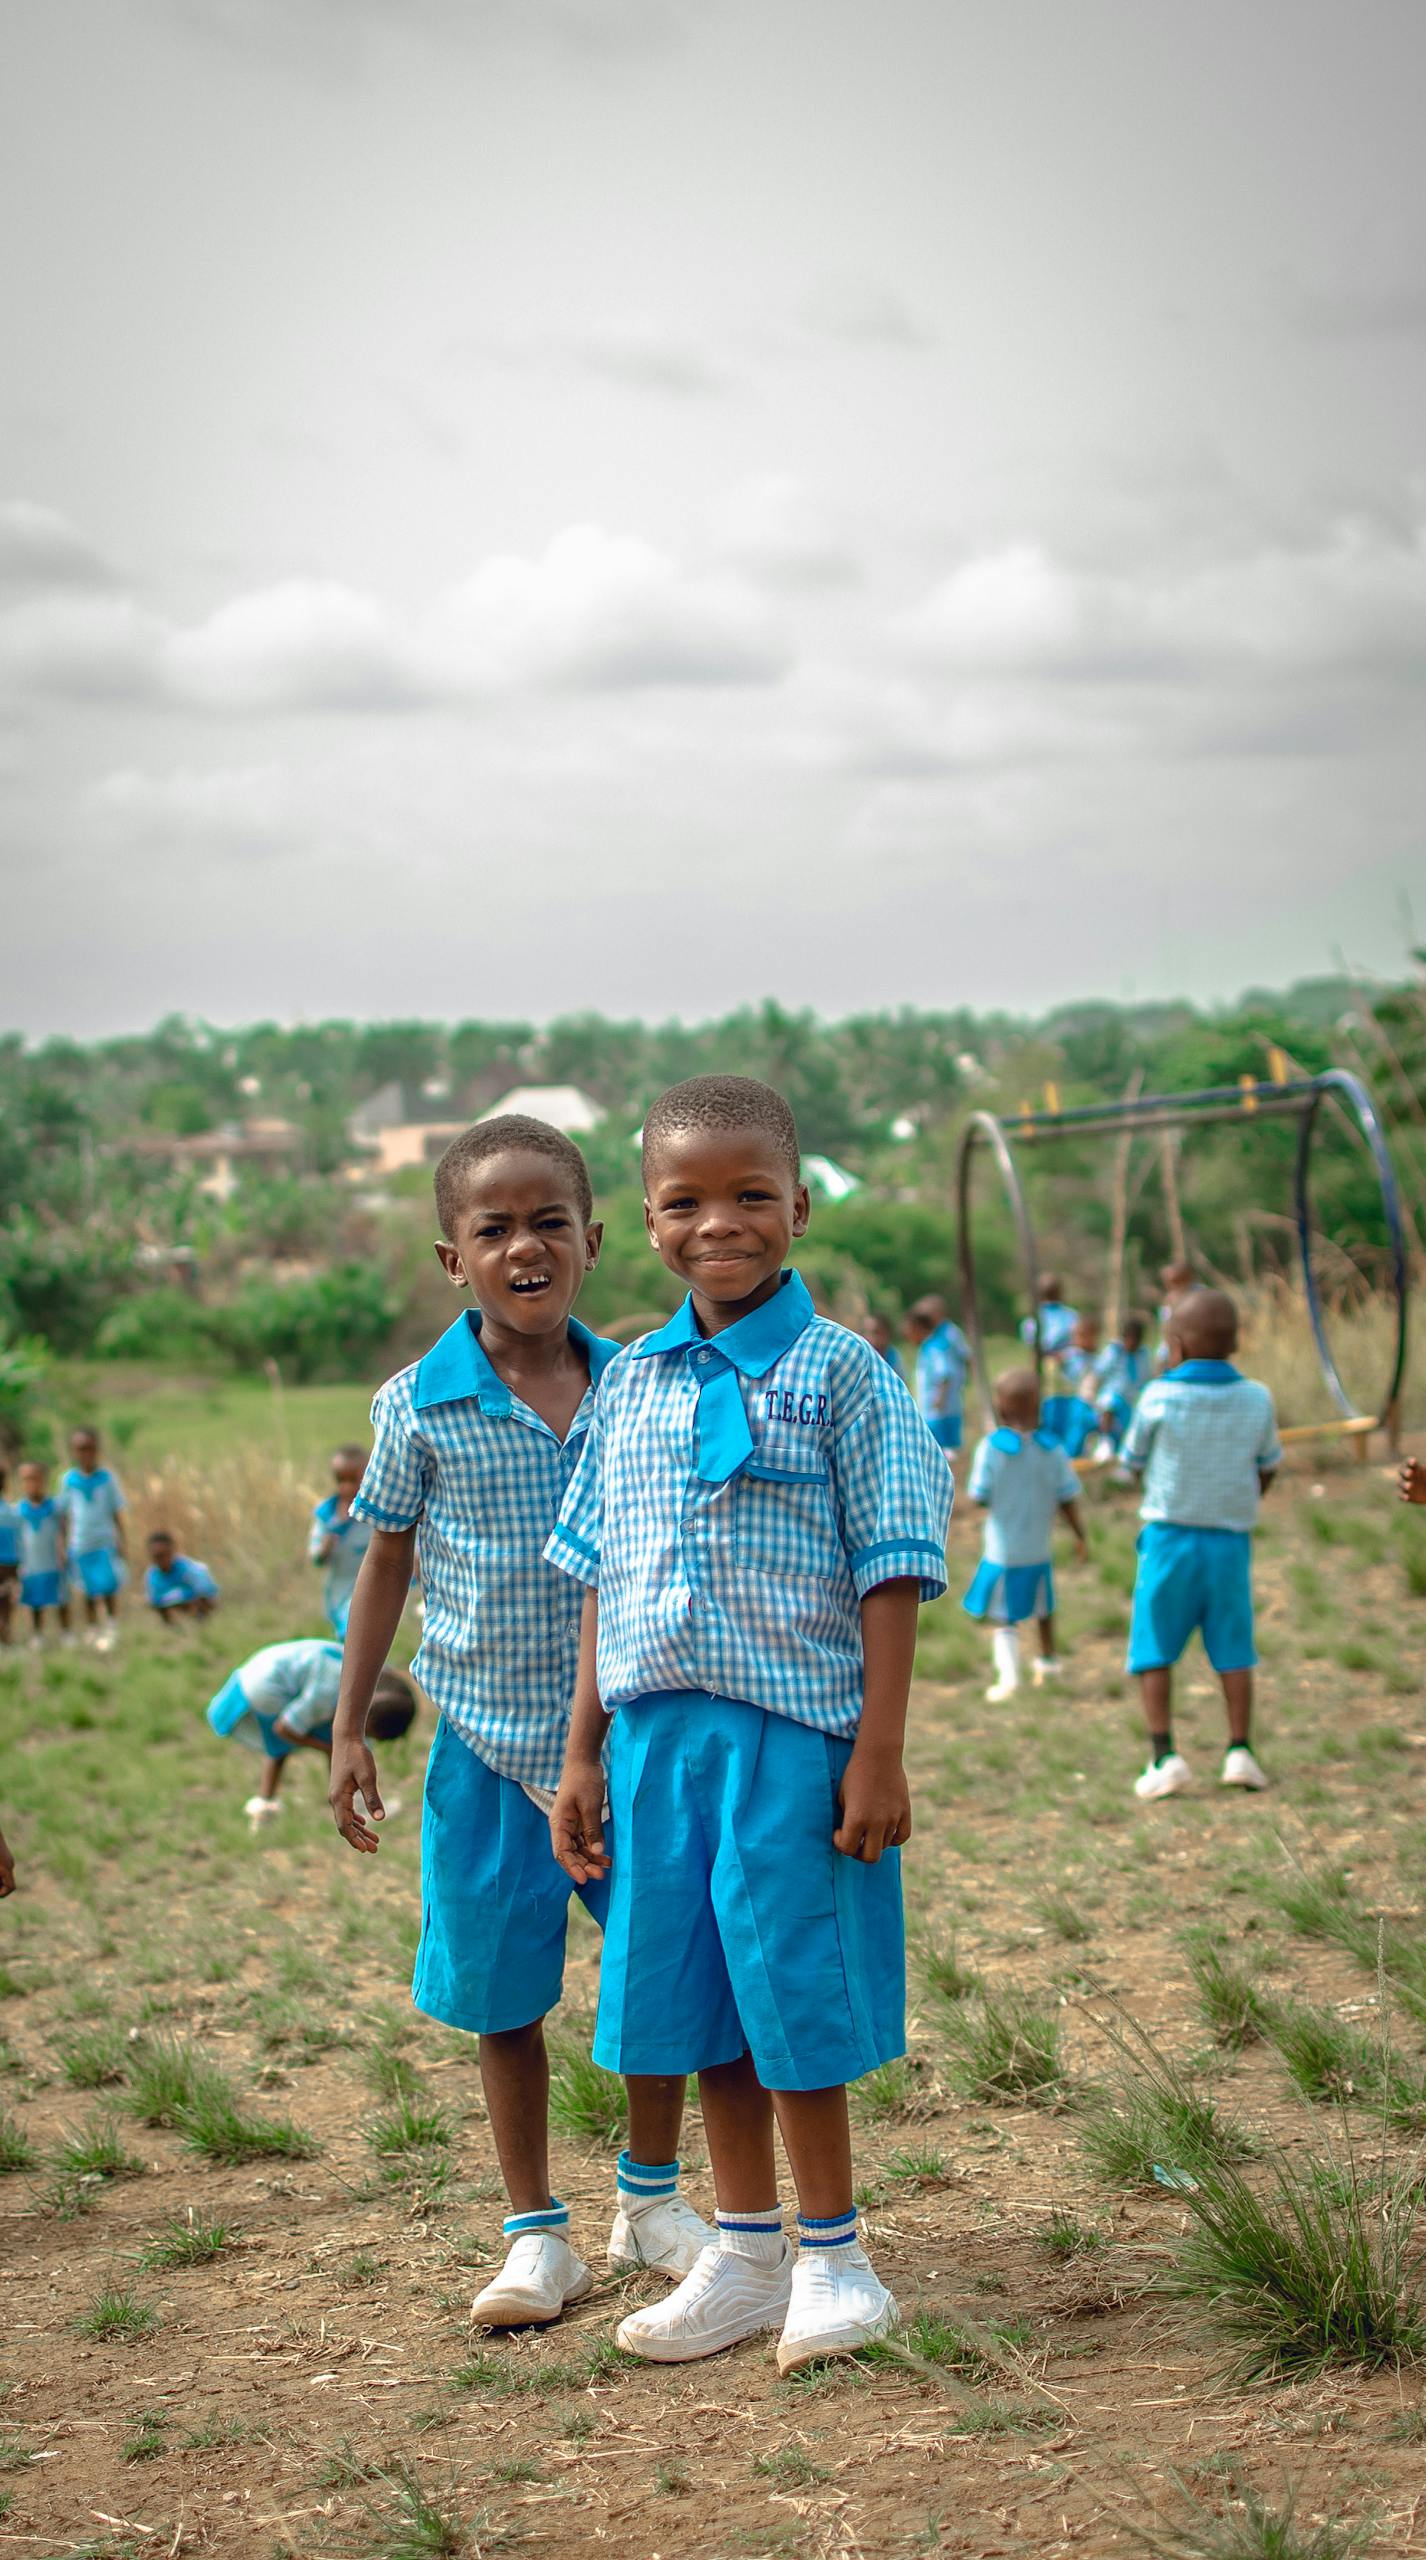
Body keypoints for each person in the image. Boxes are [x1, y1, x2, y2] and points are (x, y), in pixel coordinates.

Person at [547, 1073, 953, 2374]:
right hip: (660, 1745)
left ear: (800, 1205)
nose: (717, 1223)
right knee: (696, 2003)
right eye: (683, 1200)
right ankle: (745, 2249)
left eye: (749, 1196)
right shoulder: (632, 1382)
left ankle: (837, 2257)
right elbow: (601, 1575)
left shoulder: (845, 1375)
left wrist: (877, 1753)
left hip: (793, 1739)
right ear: (644, 1219)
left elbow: (891, 1564)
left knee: (790, 1997)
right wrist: (580, 1751)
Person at [327, 1115, 715, 2331]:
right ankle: (535, 2234)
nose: (524, 1244)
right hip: (486, 1750)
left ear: (594, 1239)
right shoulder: (416, 1406)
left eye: (549, 1220)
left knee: (659, 1974)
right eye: (492, 1228)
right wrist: (347, 1727)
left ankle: (651, 2199)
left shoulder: (644, 1382)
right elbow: (385, 1565)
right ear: (454, 1259)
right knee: (501, 1997)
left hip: (630, 1741)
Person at [1121, 1287, 1282, 1801]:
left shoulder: (1159, 1396)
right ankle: (1241, 1751)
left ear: (1176, 1343)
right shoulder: (1257, 1397)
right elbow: (1267, 1466)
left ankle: (1164, 1755)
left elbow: (1131, 1463)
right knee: (1234, 1647)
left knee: (1152, 1647)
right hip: (1229, 1543)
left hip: (1169, 1540)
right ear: (1235, 1342)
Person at [963, 1368, 1087, 1698]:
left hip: (1004, 1551)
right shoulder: (1054, 1450)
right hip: (1039, 1549)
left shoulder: (991, 1449)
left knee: (1005, 1617)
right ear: (1039, 1407)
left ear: (1001, 1408)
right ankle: (1048, 1662)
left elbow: (979, 1494)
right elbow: (1068, 1498)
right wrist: (1080, 1536)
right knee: (1044, 1607)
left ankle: (1009, 1677)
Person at [207, 1637, 414, 1827]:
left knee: (336, 1740)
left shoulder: (369, 1674)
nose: (367, 1739)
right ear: (369, 1718)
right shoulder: (325, 1693)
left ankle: (265, 1805)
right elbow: (284, 1729)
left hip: (261, 1667)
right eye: (370, 1733)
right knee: (339, 1741)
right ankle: (355, 1806)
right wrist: (330, 1748)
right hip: (263, 1688)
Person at [60, 1427, 126, 1651]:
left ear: (96, 1450)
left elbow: (116, 1512)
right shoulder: (68, 1481)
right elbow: (65, 1515)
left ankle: (112, 1626)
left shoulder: (107, 1479)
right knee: (87, 1589)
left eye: (88, 1448)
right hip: (80, 1543)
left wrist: (121, 1539)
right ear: (73, 1451)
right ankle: (93, 1628)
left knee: (108, 1586)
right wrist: (62, 1544)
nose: (84, 1453)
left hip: (104, 1541)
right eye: (80, 1449)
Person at [309, 1446, 375, 1636]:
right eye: (340, 1480)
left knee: (355, 1634)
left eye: (353, 1480)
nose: (346, 1487)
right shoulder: (326, 1514)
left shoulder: (374, 1514)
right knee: (344, 1638)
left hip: (368, 1592)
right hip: (337, 1590)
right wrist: (324, 1548)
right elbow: (316, 1557)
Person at [905, 1294, 970, 1454]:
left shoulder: (936, 1344)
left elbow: (944, 1373)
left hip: (940, 1412)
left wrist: (938, 1401)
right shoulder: (931, 1344)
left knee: (943, 1454)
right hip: (942, 1409)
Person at [17, 1461, 69, 1644]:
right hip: (31, 1564)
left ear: (43, 1480)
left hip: (53, 1561)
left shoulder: (55, 1507)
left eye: (34, 1479)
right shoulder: (19, 1510)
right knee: (34, 1601)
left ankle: (65, 1633)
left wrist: (64, 1551)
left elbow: (64, 1530)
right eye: (26, 1479)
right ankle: (37, 1635)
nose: (31, 1483)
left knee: (61, 1598)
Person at [1039, 1313, 1101, 1458]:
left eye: (1082, 1336)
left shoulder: (1099, 1359)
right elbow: (1057, 1360)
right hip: (1067, 1397)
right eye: (1075, 1336)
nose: (1077, 1340)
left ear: (1093, 1336)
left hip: (1085, 1401)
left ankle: (1073, 1455)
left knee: (1079, 1425)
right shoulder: (1071, 1354)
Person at [1092, 1313, 1149, 1459]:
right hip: (1112, 1394)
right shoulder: (1113, 1351)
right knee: (1110, 1404)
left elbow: (1145, 1378)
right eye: (1128, 1339)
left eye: (1136, 1339)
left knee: (1128, 1424)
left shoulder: (1143, 1355)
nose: (1132, 1343)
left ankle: (1126, 1449)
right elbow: (1099, 1371)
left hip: (1131, 1399)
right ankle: (1104, 1442)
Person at [145, 1531, 219, 1621]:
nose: (160, 1560)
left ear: (172, 1551)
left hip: (196, 1607)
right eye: (156, 1556)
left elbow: (207, 1592)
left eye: (163, 1555)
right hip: (171, 1611)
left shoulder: (191, 1568)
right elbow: (154, 1601)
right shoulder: (151, 1575)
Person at [1020, 1272, 1078, 1360]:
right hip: (1066, 1360)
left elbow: (1029, 1341)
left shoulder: (1032, 1319)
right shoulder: (1071, 1315)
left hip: (1041, 1360)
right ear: (1060, 1293)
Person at [1153, 1259, 1197, 1371]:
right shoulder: (1169, 1300)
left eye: (1175, 1281)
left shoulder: (1200, 1297)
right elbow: (1166, 1329)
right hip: (1169, 1352)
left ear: (1187, 1278)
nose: (1171, 1286)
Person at [0, 1463, 19, 1647]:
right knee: (5, 1605)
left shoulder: (10, 1511)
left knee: (5, 1604)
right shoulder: (11, 1511)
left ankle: (6, 1641)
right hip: (8, 1565)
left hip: (6, 1565)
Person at [862, 1311, 904, 1380]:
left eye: (875, 1332)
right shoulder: (861, 1356)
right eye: (866, 1332)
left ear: (886, 1333)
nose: (869, 1337)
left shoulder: (892, 1356)